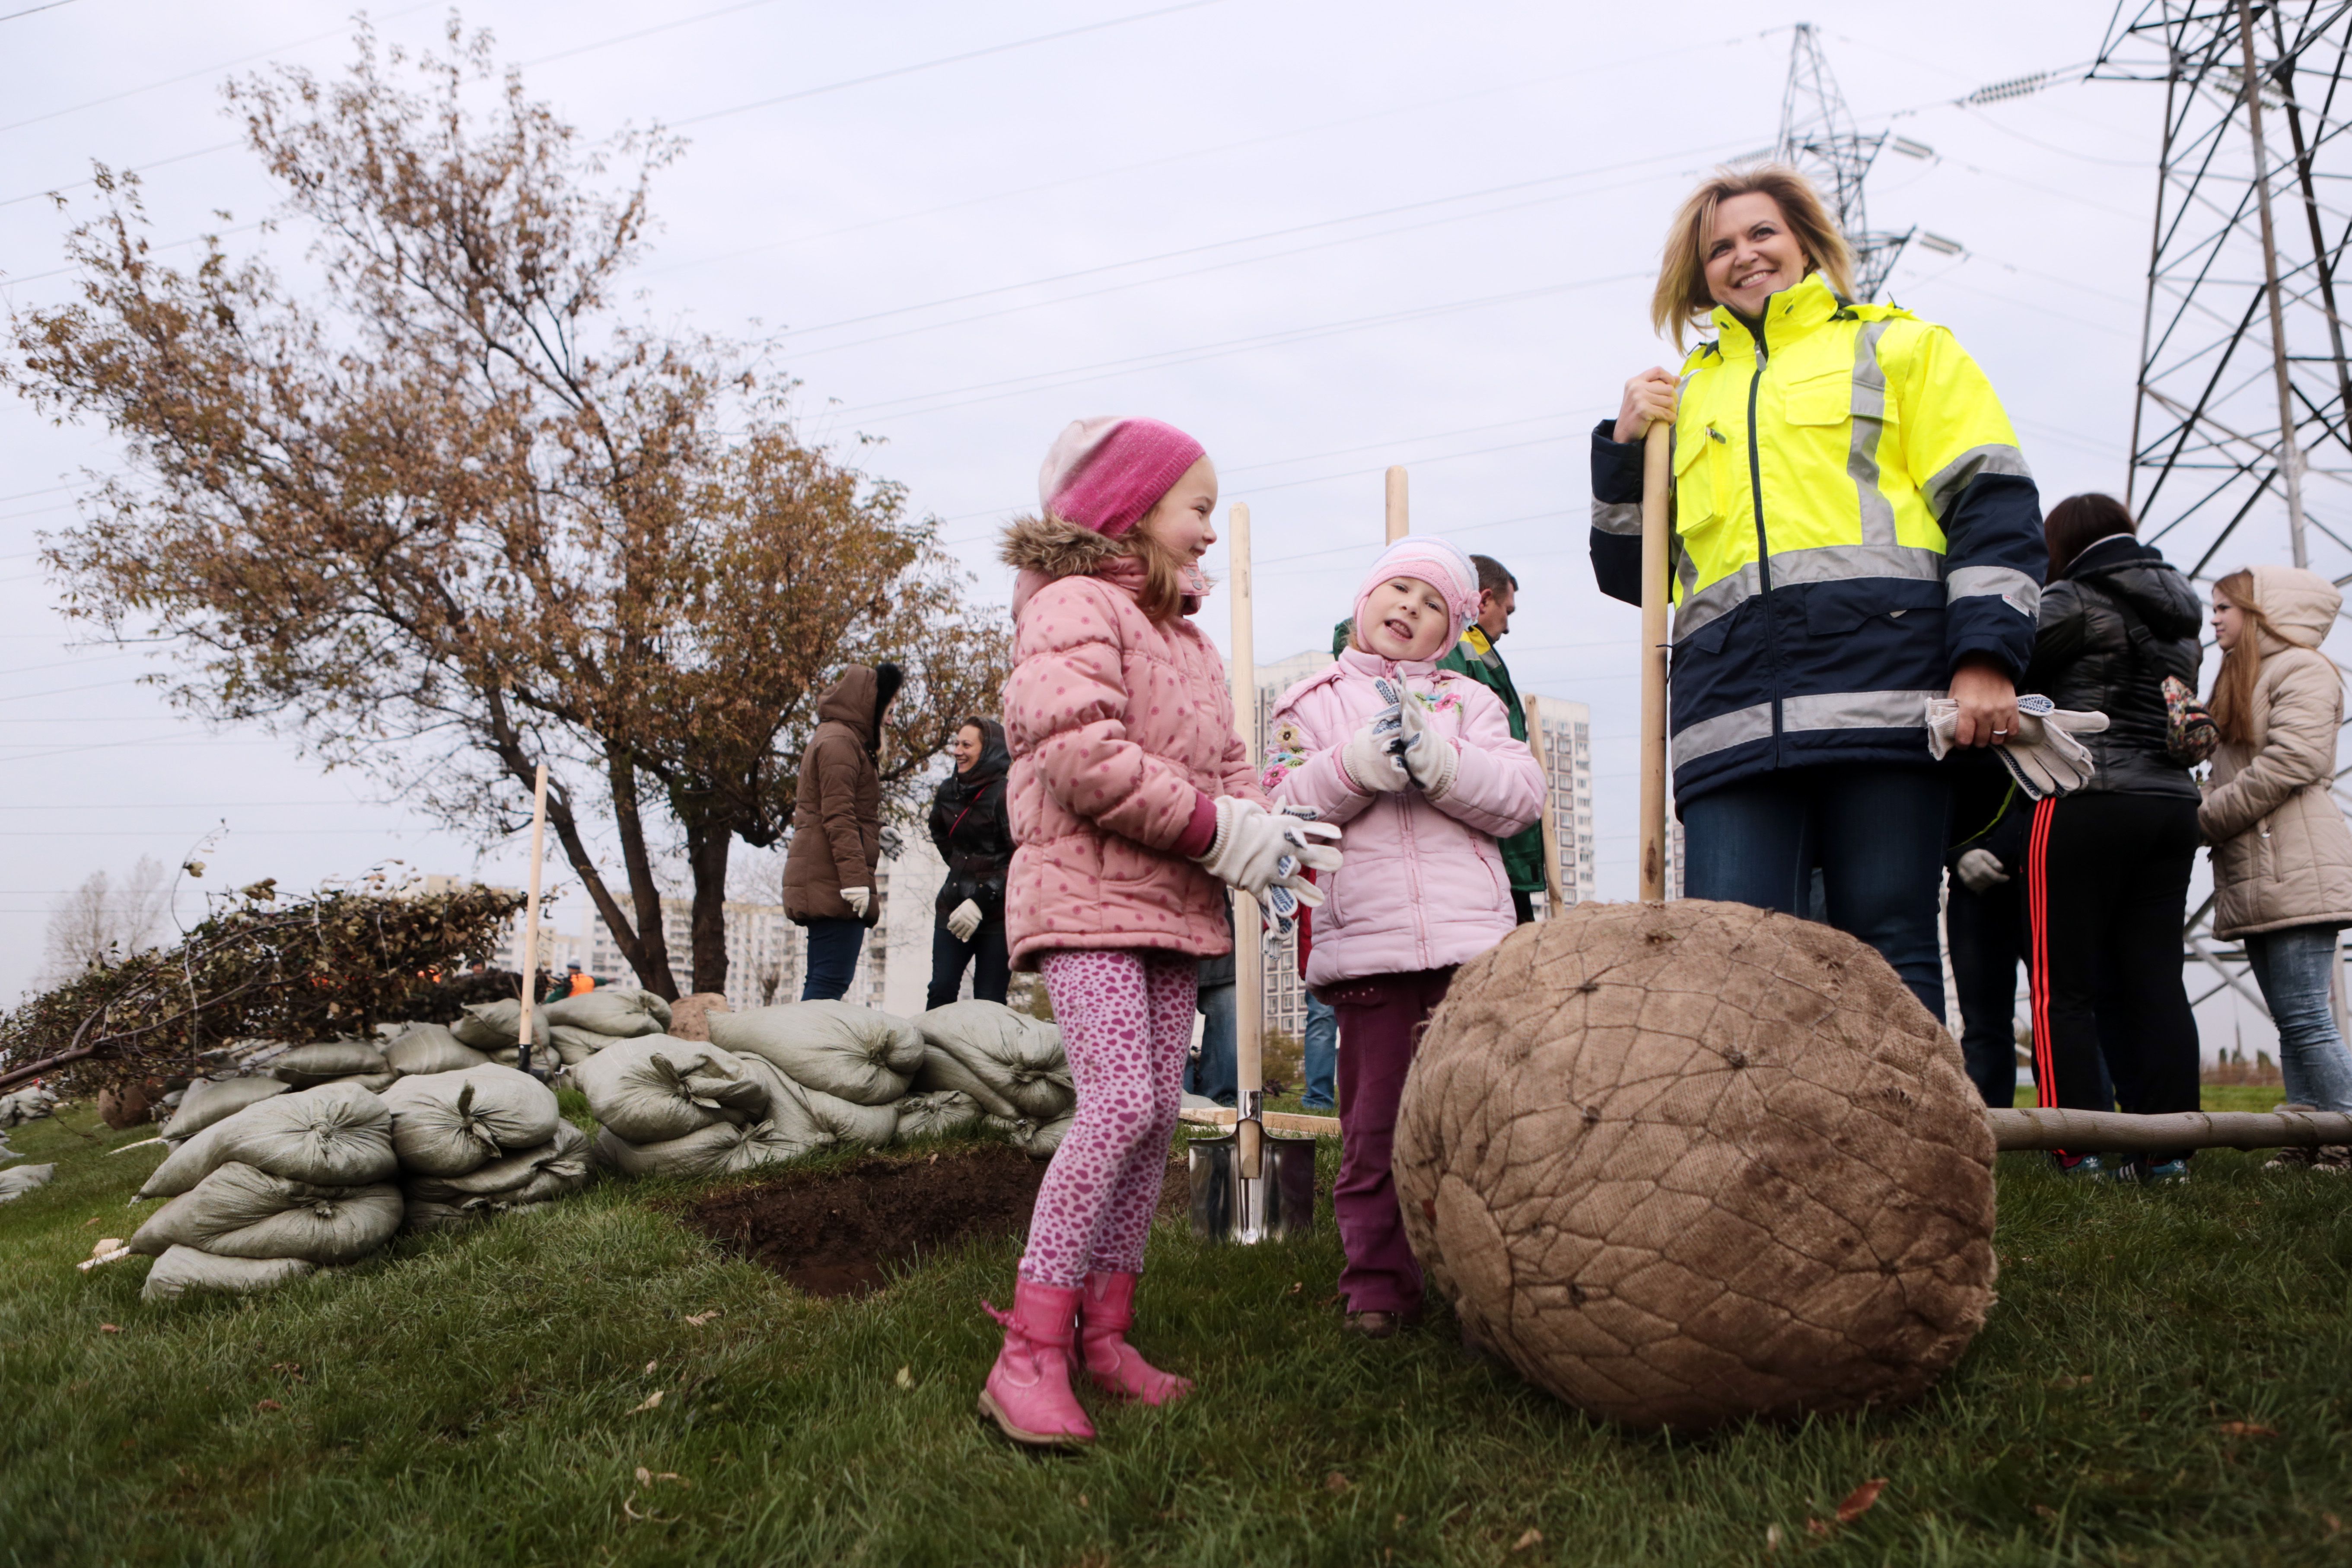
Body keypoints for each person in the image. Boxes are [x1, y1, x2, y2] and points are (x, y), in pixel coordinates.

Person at [1588, 163, 2045, 1018]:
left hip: (1880, 696)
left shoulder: (1901, 346)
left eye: (1761, 233)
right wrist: (1623, 449)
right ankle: (1763, 1153)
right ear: (1699, 274)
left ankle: (1905, 1148)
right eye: (1718, 246)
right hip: (1729, 716)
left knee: (1886, 934)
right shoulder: (1682, 399)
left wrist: (1986, 656)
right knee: (1730, 953)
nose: (1743, 255)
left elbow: (1993, 501)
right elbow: (1632, 577)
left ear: (1804, 241)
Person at [984, 415, 1340, 1447]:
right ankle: (1027, 1351)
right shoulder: (1071, 607)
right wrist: (1210, 827)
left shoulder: (1186, 640)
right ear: (1132, 508)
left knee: (1153, 1125)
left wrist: (1264, 831)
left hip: (1170, 914)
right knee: (1119, 1105)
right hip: (1088, 904)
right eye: (1197, 509)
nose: (1208, 534)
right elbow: (1077, 755)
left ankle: (1105, 1335)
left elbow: (1228, 765)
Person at [1265, 537, 1545, 1338]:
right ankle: (1379, 1285)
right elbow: (1280, 806)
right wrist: (1353, 766)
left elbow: (1520, 796)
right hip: (1368, 948)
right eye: (1397, 590)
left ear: (1452, 630)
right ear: (1363, 598)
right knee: (1375, 1127)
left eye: (1432, 606)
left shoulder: (1469, 702)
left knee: (1476, 1119)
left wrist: (1439, 759)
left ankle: (1484, 1278)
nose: (1408, 610)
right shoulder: (1309, 700)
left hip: (1471, 953)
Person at [2020, 493, 2204, 1180]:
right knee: (2154, 978)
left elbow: (2009, 664)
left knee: (2060, 982)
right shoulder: (2181, 615)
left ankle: (2078, 1149)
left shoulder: (2067, 599)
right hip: (2170, 805)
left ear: (2061, 542)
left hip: (2083, 796)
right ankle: (2167, 1155)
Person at [2202, 565, 2352, 1169]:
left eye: (2222, 607)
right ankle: (2302, 1140)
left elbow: (2291, 762)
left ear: (2260, 610)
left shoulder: (2302, 669)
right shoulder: (2243, 679)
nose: (2212, 618)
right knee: (2291, 1021)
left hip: (2295, 862)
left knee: (2306, 1017)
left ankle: (2343, 1138)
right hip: (2258, 866)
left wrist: (2204, 817)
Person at [1436, 554, 1546, 923]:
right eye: (1507, 611)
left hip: (1491, 845)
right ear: (1482, 600)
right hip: (1479, 854)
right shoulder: (1453, 646)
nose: (1508, 626)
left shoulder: (1478, 651)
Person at [783, 662, 903, 1001]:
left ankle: (804, 1051)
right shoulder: (840, 743)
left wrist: (876, 832)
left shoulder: (839, 738)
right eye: (889, 709)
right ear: (872, 704)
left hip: (826, 875)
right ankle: (806, 1052)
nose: (892, 719)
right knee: (830, 982)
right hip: (833, 880)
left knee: (824, 979)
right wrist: (855, 882)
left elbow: (837, 809)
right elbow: (838, 816)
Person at [926, 716, 1015, 1009]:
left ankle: (986, 1057)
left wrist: (980, 897)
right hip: (952, 908)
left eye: (967, 744)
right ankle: (932, 1055)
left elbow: (1018, 859)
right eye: (956, 743)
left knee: (989, 1001)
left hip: (996, 917)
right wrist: (960, 866)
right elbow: (938, 829)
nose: (957, 751)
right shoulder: (947, 791)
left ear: (989, 750)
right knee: (940, 990)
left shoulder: (1006, 795)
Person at [1187, 900, 1238, 1107]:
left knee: (1229, 1025)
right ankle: (1176, 1100)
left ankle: (1224, 1101)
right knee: (1169, 1029)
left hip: (1216, 931)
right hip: (1167, 930)